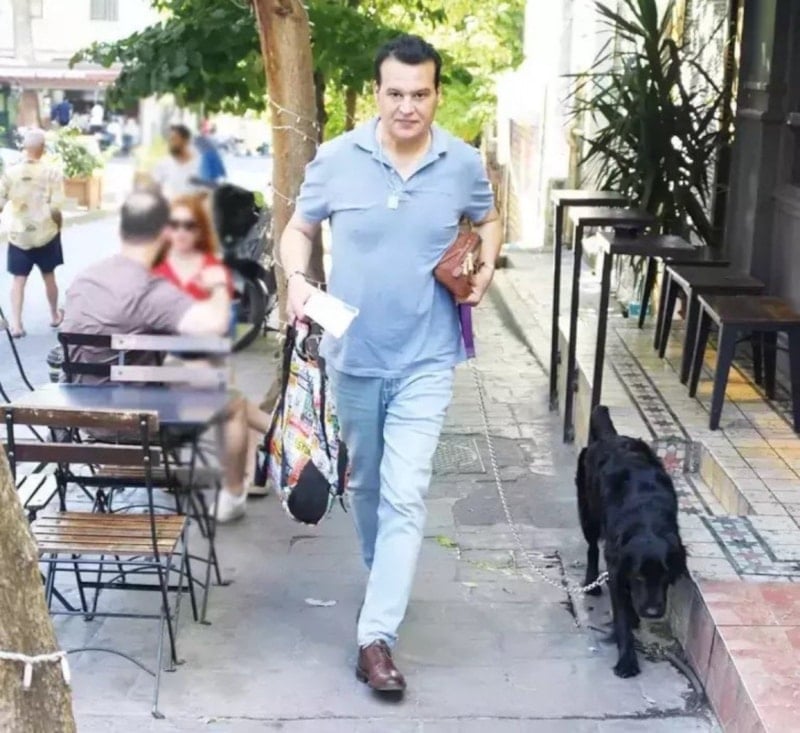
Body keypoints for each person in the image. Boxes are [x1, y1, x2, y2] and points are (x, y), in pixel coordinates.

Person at [280, 34, 502, 693]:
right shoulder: (336, 159)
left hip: (427, 356)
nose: (408, 106)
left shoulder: (461, 163)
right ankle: (386, 582)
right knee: (371, 488)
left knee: (406, 492)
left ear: (437, 94)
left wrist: (485, 267)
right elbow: (298, 227)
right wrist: (298, 277)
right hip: (353, 354)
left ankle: (375, 636)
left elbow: (489, 221)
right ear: (377, 93)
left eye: (421, 94)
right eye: (396, 93)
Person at [61, 189, 256, 522]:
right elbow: (214, 328)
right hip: (135, 420)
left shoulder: (86, 277)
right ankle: (233, 498)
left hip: (81, 413)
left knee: (189, 377)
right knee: (232, 403)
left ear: (122, 228)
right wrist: (218, 285)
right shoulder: (152, 287)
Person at [153, 194, 271, 494]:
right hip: (171, 364)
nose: (180, 232)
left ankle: (263, 459)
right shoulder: (164, 269)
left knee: (235, 401)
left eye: (189, 226)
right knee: (237, 403)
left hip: (189, 360)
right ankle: (270, 451)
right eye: (174, 225)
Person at [0, 128, 65, 338]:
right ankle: (54, 315)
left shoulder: (10, 173)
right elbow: (56, 207)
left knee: (18, 280)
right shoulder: (52, 173)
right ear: (43, 148)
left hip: (19, 235)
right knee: (49, 276)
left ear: (24, 147)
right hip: (46, 233)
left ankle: (16, 325)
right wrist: (57, 225)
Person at [152, 124, 203, 199]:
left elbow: (205, 193)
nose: (171, 143)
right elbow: (155, 189)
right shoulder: (163, 163)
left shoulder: (200, 164)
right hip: (169, 205)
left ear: (186, 141)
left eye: (174, 139)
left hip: (192, 205)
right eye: (170, 139)